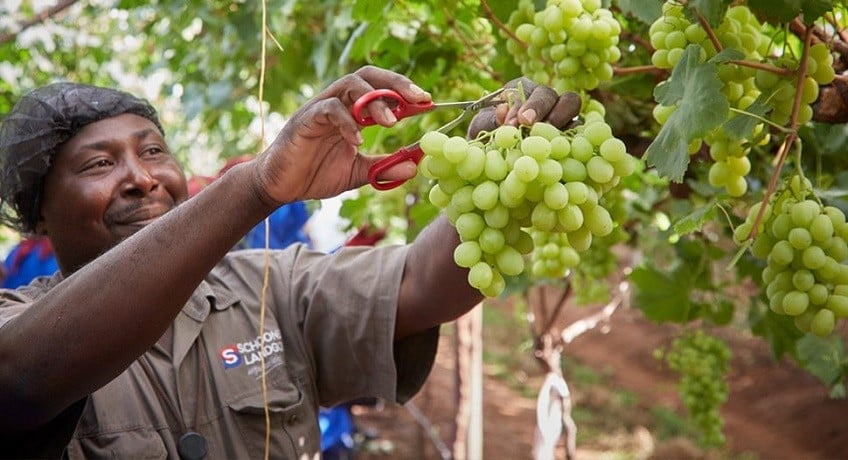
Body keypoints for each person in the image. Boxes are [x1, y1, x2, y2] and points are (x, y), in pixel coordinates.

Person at [0, 66, 578, 459]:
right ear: (39, 218)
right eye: (99, 165)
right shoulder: (19, 323)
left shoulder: (270, 282)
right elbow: (19, 380)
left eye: (153, 151)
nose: (143, 177)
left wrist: (505, 175)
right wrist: (257, 187)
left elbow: (424, 284)